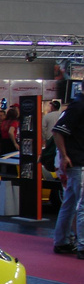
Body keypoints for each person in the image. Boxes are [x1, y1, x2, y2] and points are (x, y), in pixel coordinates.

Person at [51, 92, 84, 258]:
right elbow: (57, 131)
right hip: (78, 162)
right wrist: (64, 156)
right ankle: (82, 245)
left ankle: (62, 241)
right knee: (80, 204)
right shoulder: (79, 106)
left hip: (75, 162)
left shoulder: (77, 105)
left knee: (70, 203)